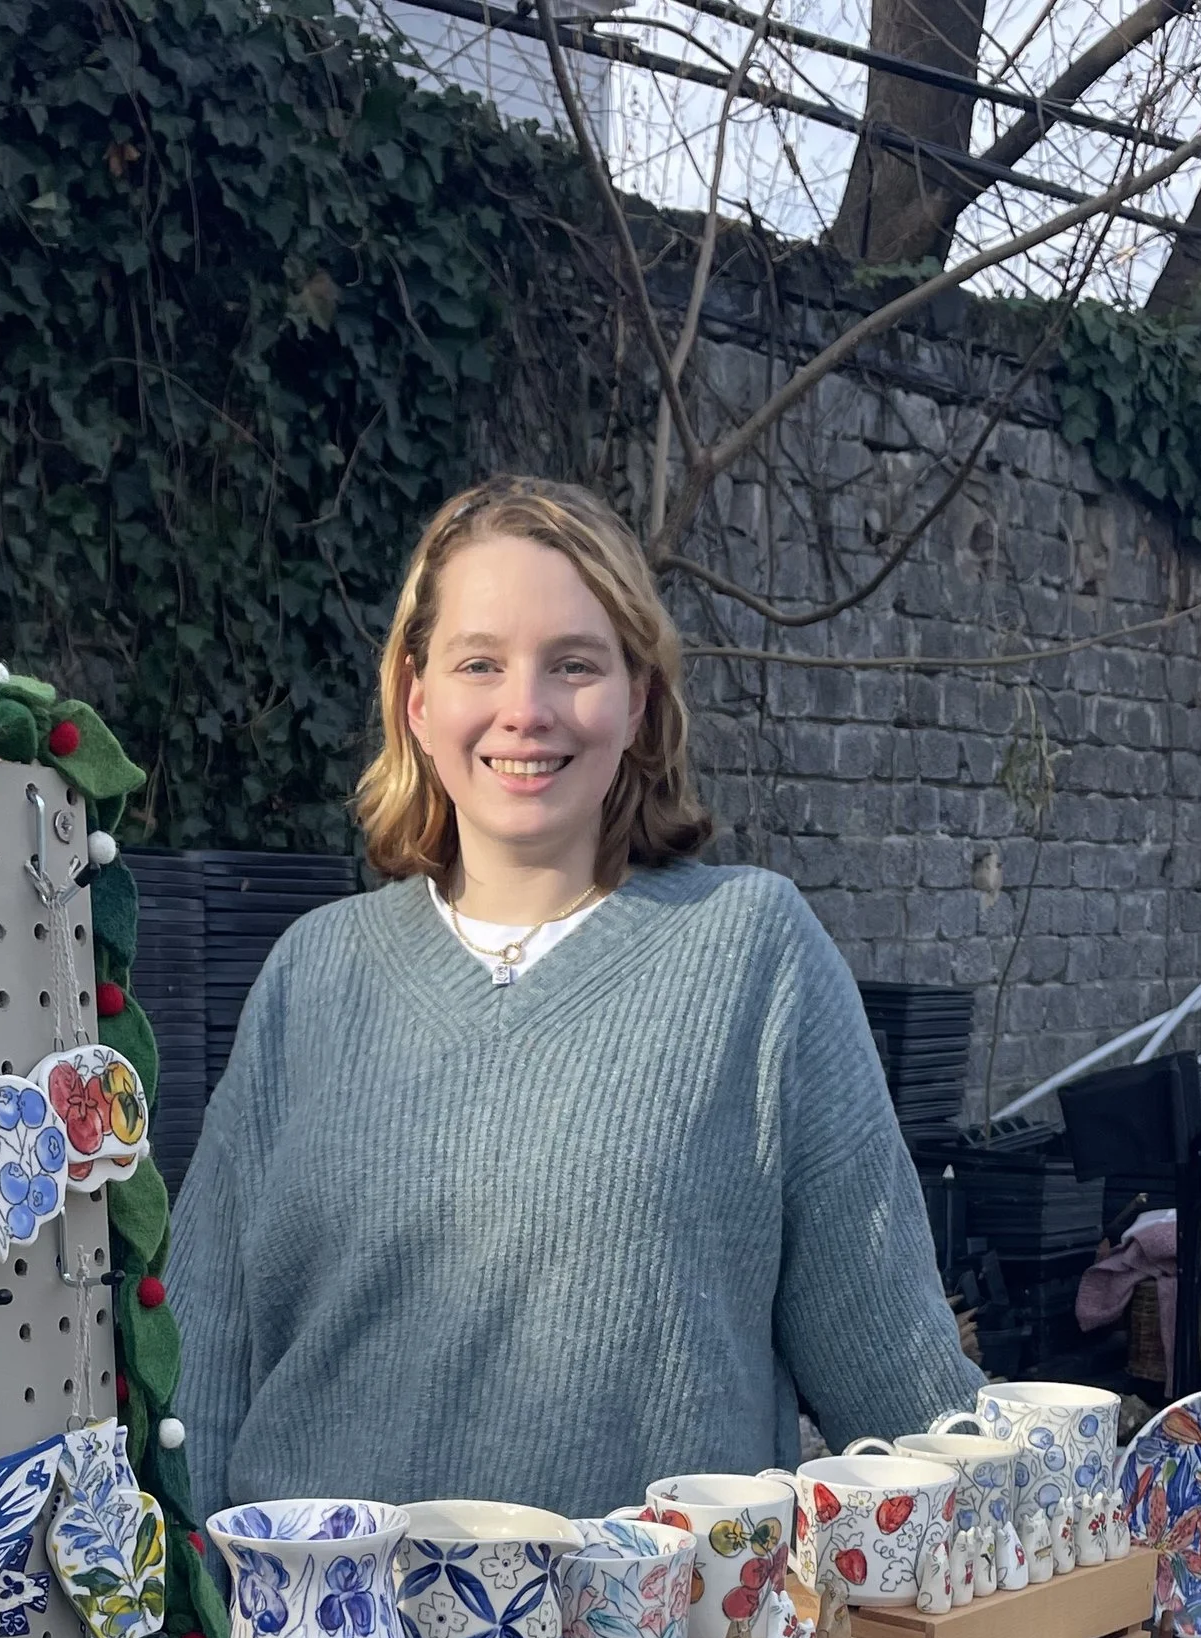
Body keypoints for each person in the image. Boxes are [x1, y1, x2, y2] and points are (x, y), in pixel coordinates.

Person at [171, 475, 975, 1518]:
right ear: (418, 703)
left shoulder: (750, 956)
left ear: (638, 701)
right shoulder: (311, 975)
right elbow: (198, 1367)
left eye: (574, 665)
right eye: (479, 664)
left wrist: (1054, 1536)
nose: (526, 710)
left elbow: (895, 1381)